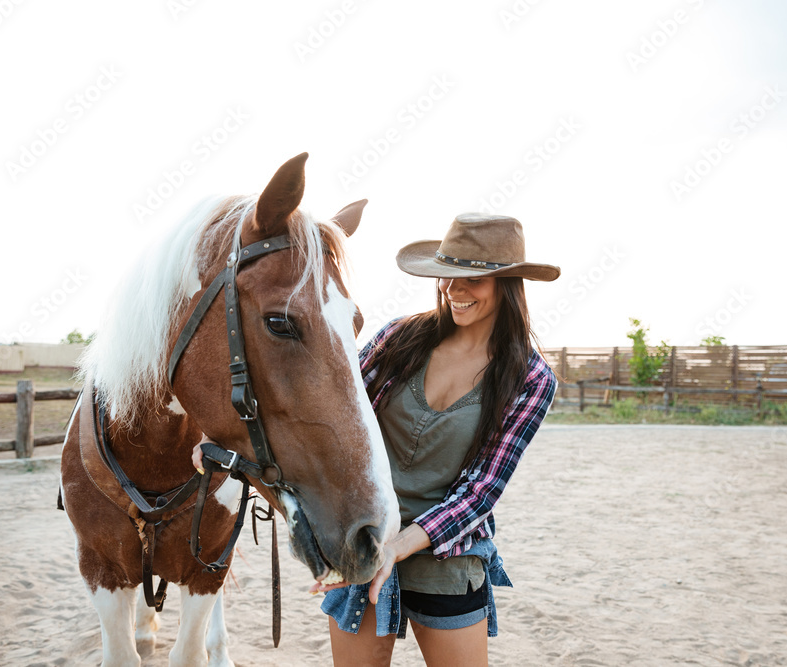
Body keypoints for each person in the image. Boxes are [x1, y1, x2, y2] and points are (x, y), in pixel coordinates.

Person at [195, 213, 560, 666]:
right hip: (363, 535)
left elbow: (482, 490)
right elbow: (329, 413)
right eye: (448, 276)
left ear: (507, 284)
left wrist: (401, 545)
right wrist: (231, 437)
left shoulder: (529, 378)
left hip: (447, 552)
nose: (454, 290)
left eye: (471, 279)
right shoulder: (399, 340)